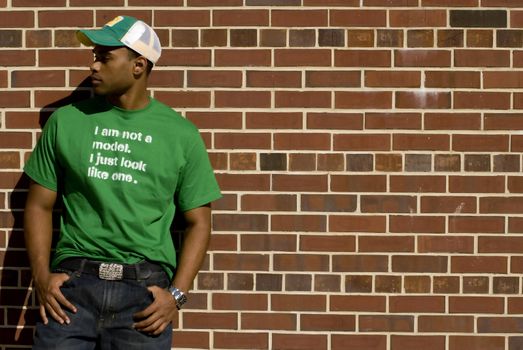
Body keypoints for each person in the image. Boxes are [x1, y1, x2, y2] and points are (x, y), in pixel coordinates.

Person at [23, 15, 221, 349]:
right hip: (72, 291)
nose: (93, 66)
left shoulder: (181, 135)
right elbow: (38, 205)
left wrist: (177, 297)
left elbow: (199, 222)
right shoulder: (67, 122)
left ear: (138, 65)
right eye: (94, 56)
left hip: (143, 297)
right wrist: (41, 279)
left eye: (105, 56)